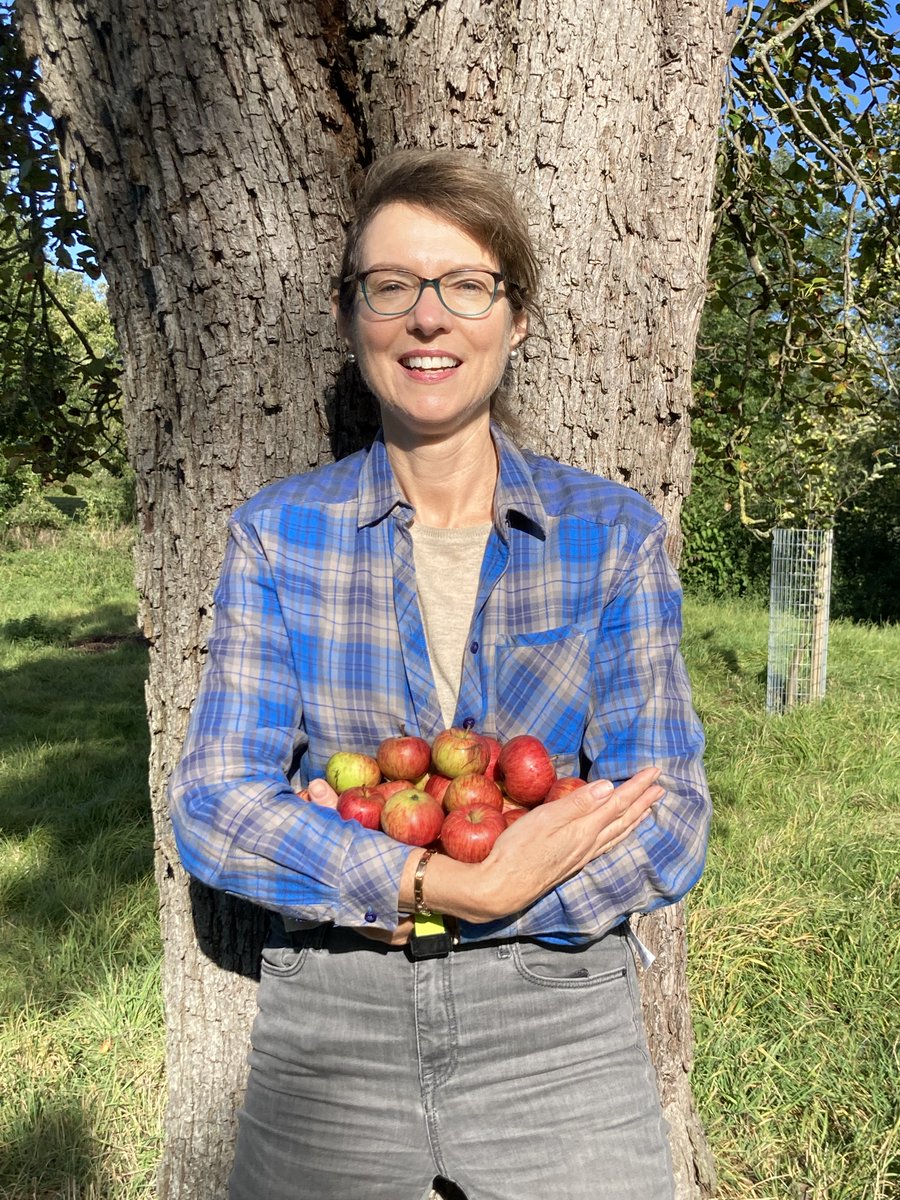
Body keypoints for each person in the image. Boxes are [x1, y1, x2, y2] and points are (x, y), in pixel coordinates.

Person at [168, 148, 711, 1200]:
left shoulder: (611, 537)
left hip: (560, 1018)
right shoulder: (280, 538)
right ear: (350, 318)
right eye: (392, 287)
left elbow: (672, 814)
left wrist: (442, 887)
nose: (429, 318)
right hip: (336, 1015)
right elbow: (214, 805)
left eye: (467, 286)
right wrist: (444, 879)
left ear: (514, 318)